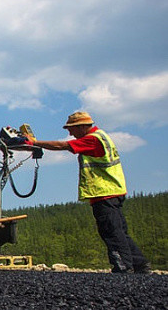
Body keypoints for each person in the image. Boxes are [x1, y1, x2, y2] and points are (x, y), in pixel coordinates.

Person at [30, 111, 151, 274]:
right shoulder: (101, 136)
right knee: (120, 231)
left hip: (104, 193)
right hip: (114, 191)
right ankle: (139, 264)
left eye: (71, 129)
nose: (70, 133)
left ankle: (123, 267)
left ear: (82, 126)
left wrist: (34, 142)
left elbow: (63, 145)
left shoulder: (93, 139)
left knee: (111, 231)